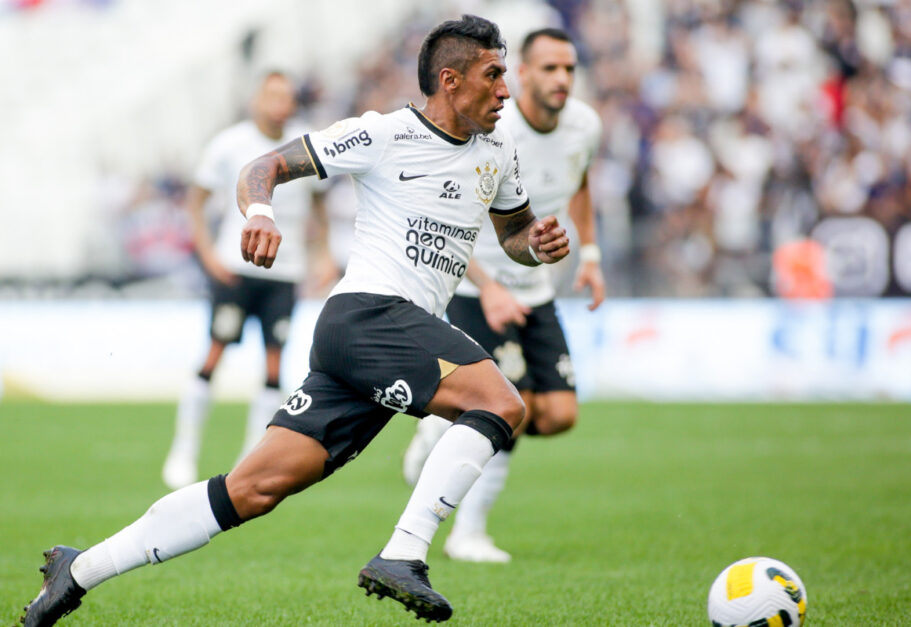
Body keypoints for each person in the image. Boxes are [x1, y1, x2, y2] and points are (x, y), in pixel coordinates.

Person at [21, 15, 570, 626]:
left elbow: (513, 232)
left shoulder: (498, 150)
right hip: (369, 314)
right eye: (493, 75)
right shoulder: (382, 135)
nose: (505, 91)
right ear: (450, 80)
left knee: (250, 490)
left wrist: (536, 243)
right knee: (503, 403)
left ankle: (79, 569)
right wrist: (261, 213)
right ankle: (404, 553)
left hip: (381, 341)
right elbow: (262, 168)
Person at [401, 27, 605, 563]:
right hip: (476, 287)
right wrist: (488, 289)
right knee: (506, 408)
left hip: (534, 287)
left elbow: (580, 181)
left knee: (557, 413)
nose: (562, 79)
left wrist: (591, 257)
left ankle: (444, 430)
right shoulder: (492, 126)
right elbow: (447, 217)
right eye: (549, 69)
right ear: (525, 73)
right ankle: (468, 532)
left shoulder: (586, 125)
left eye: (570, 69)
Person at [162, 70, 330, 490]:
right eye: (272, 94)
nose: (280, 103)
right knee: (214, 355)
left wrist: (321, 256)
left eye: (286, 96)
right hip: (234, 269)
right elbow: (196, 203)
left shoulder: (303, 145)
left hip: (284, 273)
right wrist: (206, 255)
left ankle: (248, 460)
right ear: (257, 99)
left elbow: (319, 207)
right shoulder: (229, 144)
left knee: (274, 366)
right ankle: (183, 450)